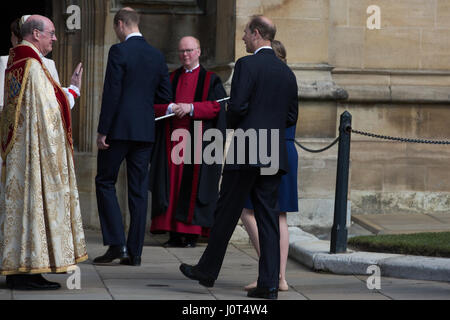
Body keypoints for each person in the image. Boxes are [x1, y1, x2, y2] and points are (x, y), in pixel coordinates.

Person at [179, 15, 298, 300]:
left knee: (227, 210)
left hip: (248, 147)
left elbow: (238, 105)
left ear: (257, 34)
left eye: (245, 33)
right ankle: (269, 284)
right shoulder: (287, 72)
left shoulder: (247, 64)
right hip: (273, 148)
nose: (243, 37)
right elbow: (292, 115)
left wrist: (234, 124)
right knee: (268, 217)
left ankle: (207, 270)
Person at [0, 14, 87, 290]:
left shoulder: (18, 61)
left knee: (26, 209)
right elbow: (50, 112)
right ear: (36, 34)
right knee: (32, 207)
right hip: (34, 154)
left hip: (21, 154)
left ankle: (29, 269)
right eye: (51, 33)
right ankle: (24, 272)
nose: (55, 37)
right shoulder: (33, 67)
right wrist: (72, 90)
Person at [94, 7, 172, 267]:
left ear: (120, 24)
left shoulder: (119, 51)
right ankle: (135, 252)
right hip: (145, 131)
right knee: (138, 191)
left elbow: (112, 92)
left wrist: (103, 130)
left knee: (105, 181)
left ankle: (117, 244)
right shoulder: (156, 55)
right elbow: (164, 96)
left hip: (118, 130)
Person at [148, 36, 227, 248]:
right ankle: (173, 233)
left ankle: (191, 234)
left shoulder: (211, 80)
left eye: (190, 50)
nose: (185, 55)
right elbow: (154, 105)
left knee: (192, 188)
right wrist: (170, 108)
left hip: (197, 144)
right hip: (171, 142)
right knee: (171, 188)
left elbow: (217, 107)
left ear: (199, 52)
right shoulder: (170, 78)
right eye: (182, 51)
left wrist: (191, 108)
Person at [240, 39, 298, 292]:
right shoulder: (287, 80)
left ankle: (272, 272)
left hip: (270, 147)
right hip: (284, 148)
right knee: (277, 214)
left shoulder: (269, 86)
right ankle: (278, 277)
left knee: (251, 211)